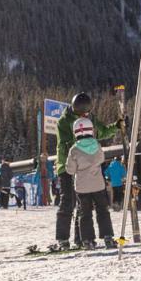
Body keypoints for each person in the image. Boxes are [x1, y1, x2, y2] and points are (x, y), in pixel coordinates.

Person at [51, 92, 120, 251]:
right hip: (68, 164)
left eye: (87, 113)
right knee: (68, 201)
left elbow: (101, 131)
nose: (85, 115)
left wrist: (116, 126)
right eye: (82, 113)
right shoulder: (64, 121)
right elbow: (68, 144)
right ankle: (62, 238)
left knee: (83, 204)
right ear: (75, 109)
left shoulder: (90, 118)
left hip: (85, 164)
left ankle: (82, 238)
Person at [65, 118, 117, 249]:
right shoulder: (97, 145)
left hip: (82, 188)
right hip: (98, 185)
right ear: (91, 130)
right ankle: (108, 237)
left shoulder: (74, 149)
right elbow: (101, 159)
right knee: (102, 211)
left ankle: (87, 240)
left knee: (85, 213)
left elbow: (70, 170)